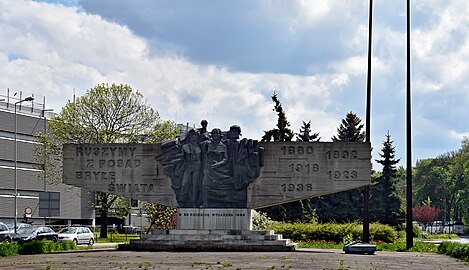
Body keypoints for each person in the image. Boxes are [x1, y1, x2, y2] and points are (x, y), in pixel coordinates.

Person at [201, 128, 230, 207]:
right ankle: (205, 203)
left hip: (220, 169)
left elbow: (226, 159)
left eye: (217, 133)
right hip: (209, 168)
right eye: (213, 133)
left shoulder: (223, 146)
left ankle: (220, 203)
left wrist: (218, 164)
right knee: (205, 185)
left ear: (220, 135)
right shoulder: (207, 144)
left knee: (220, 186)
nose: (215, 135)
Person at [180, 129, 202, 207]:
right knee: (184, 184)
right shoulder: (185, 146)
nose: (193, 137)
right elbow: (181, 158)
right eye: (192, 135)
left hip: (197, 167)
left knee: (195, 185)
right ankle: (182, 201)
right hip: (188, 166)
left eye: (195, 135)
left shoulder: (200, 146)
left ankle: (194, 203)